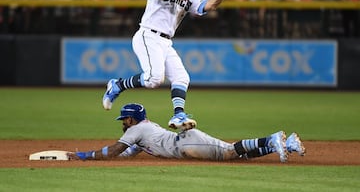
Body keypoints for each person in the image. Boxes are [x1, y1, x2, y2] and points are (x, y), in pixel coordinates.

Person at [102, 0, 241, 131]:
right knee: (154, 78)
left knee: (182, 77)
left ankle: (179, 114)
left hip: (166, 42)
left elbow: (210, 5)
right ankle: (118, 85)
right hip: (148, 35)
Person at [68, 103, 306, 163]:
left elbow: (115, 150)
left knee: (231, 152)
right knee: (237, 156)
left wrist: (84, 156)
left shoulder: (136, 129)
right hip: (185, 143)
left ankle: (272, 138)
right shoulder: (142, 132)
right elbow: (125, 154)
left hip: (187, 144)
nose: (123, 122)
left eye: (124, 119)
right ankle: (288, 144)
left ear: (131, 119)